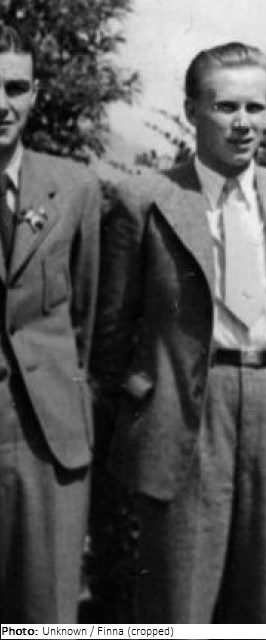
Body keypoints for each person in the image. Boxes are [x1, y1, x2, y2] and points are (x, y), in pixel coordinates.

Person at [94, 41, 266, 623]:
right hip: (184, 413)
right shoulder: (147, 198)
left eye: (255, 106)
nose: (243, 122)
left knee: (264, 603)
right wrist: (148, 399)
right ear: (192, 110)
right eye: (225, 106)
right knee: (179, 603)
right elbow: (110, 330)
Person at [0, 22, 100, 622]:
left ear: (34, 94)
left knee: (46, 614)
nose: (0, 105)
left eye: (15, 88)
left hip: (49, 431)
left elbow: (89, 309)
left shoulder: (75, 186)